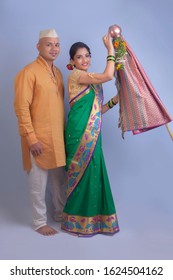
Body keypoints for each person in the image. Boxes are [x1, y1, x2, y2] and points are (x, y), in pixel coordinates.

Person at [61, 34, 120, 236]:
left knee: (94, 170)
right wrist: (110, 49)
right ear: (72, 62)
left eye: (87, 56)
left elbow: (98, 111)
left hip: (94, 133)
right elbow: (108, 75)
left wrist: (115, 100)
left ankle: (93, 221)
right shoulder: (76, 75)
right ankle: (75, 221)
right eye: (79, 57)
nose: (84, 60)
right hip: (79, 133)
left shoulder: (93, 82)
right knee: (81, 173)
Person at [14, 29, 66, 236]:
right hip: (37, 138)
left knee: (58, 180)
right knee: (38, 182)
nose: (54, 49)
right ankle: (38, 222)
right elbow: (21, 107)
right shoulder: (28, 72)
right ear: (38, 47)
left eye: (57, 44)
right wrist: (31, 138)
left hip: (57, 137)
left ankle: (60, 213)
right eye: (49, 44)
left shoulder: (59, 73)